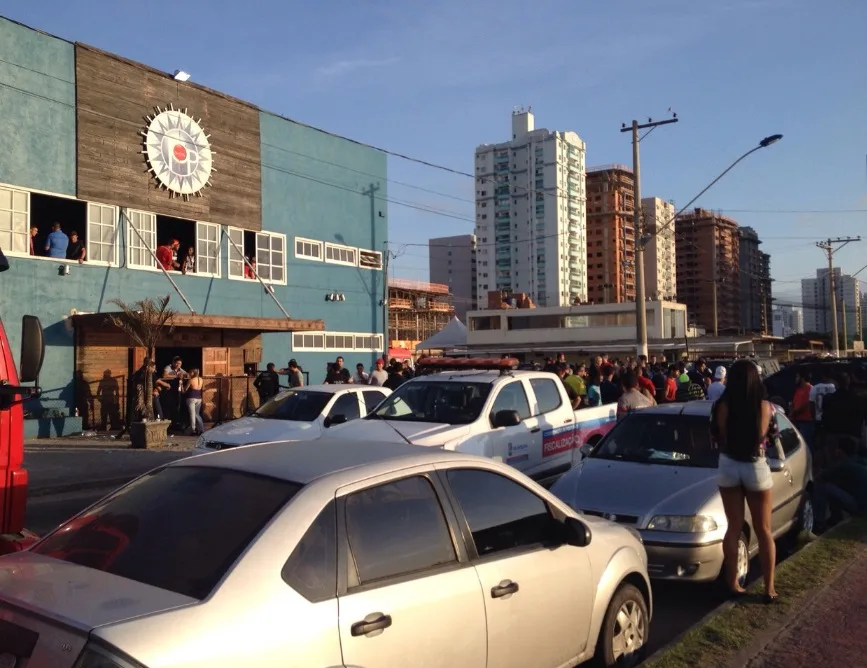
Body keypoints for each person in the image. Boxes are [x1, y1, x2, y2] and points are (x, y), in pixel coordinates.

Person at [710, 360, 782, 602]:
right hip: (755, 465)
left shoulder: (722, 405)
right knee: (764, 529)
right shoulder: (765, 407)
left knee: (733, 527)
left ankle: (733, 583)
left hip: (728, 464)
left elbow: (715, 436)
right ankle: (769, 588)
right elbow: (771, 439)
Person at [790, 369, 814, 450]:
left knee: (805, 446)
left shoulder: (810, 389)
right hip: (797, 422)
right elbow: (794, 404)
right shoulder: (798, 389)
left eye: (797, 376)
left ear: (802, 378)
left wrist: (793, 412)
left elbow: (805, 406)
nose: (795, 379)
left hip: (806, 423)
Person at [184, 369, 205, 435]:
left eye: (191, 372)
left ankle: (193, 430)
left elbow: (185, 389)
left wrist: (182, 385)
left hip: (191, 397)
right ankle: (202, 429)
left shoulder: (191, 380)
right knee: (197, 414)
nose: (190, 374)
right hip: (199, 398)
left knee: (192, 415)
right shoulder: (201, 379)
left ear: (193, 373)